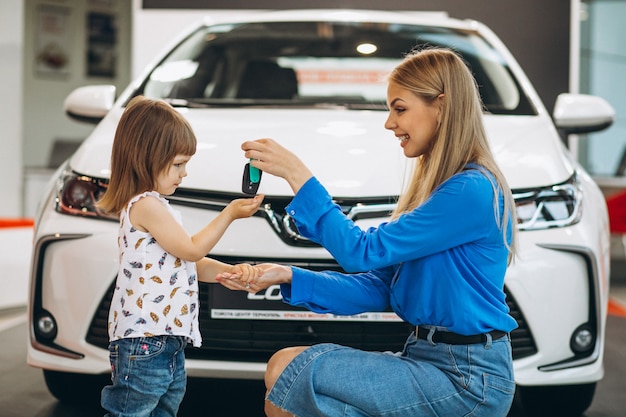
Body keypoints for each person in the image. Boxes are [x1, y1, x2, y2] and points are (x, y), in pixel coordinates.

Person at [219, 47, 519, 417]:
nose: (389, 123)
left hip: (467, 379)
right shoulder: (443, 192)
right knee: (286, 393)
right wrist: (287, 275)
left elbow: (363, 252)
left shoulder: (471, 190)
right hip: (430, 360)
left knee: (288, 372)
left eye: (400, 108)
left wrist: (298, 174)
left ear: (440, 106)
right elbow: (382, 287)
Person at [96, 95, 264, 417]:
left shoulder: (159, 207)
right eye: (178, 164)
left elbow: (187, 262)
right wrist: (228, 214)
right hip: (144, 340)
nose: (184, 173)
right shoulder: (146, 205)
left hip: (166, 340)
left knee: (161, 411)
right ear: (145, 157)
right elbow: (191, 249)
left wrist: (228, 273)